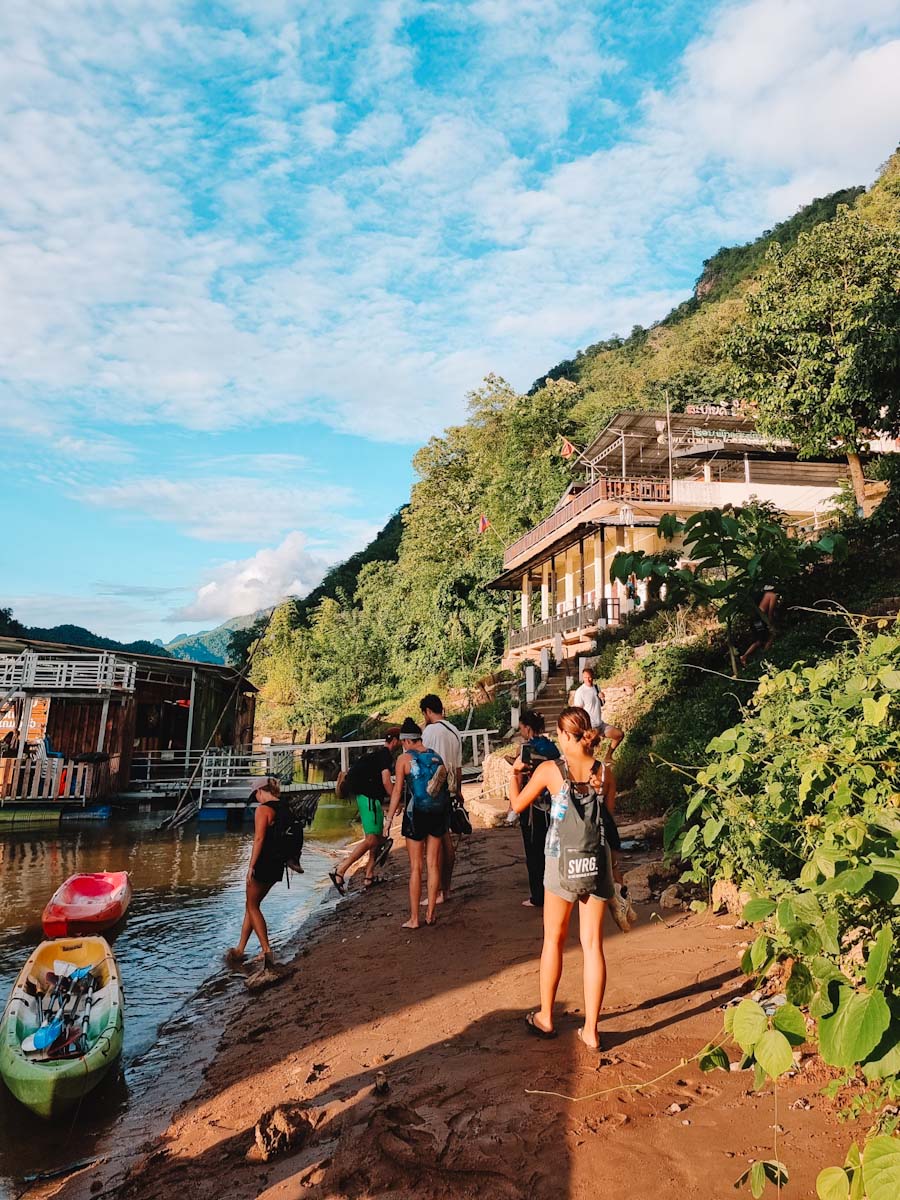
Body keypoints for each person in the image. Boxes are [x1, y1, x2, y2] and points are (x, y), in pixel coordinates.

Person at [509, 707, 615, 1051]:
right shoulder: (604, 772)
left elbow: (517, 805)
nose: (556, 739)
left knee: (553, 940)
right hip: (597, 861)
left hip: (559, 862)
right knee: (592, 945)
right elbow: (609, 819)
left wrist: (515, 773)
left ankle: (546, 1017)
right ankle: (592, 1031)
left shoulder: (549, 772)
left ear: (568, 737)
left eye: (558, 734)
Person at [384, 718, 450, 929]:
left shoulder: (404, 759)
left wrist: (388, 820)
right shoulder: (436, 757)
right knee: (432, 864)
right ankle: (431, 913)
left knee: (416, 868)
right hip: (438, 814)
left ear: (405, 741)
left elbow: (397, 792)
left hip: (416, 815)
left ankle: (414, 918)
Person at [329, 727, 401, 894]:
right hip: (368, 798)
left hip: (370, 798)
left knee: (375, 838)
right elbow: (386, 781)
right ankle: (341, 870)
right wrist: (395, 801)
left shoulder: (379, 755)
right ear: (395, 740)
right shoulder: (385, 756)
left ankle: (369, 876)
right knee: (371, 839)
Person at [226, 778, 287, 972]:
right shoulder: (285, 807)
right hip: (279, 863)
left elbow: (259, 838)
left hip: (264, 862)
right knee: (251, 905)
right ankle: (240, 949)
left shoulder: (263, 810)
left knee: (252, 905)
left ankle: (266, 950)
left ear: (261, 791)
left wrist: (251, 866)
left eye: (256, 795)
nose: (256, 799)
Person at [513, 710, 560, 908]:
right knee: (552, 850)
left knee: (533, 853)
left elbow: (519, 776)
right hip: (553, 805)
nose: (521, 732)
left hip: (533, 806)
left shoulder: (526, 749)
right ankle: (556, 891)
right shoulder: (552, 747)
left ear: (528, 728)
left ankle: (538, 896)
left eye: (522, 728)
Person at [419, 694, 462, 903]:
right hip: (452, 790)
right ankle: (447, 888)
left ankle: (435, 893)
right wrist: (459, 792)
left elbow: (422, 760)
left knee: (435, 845)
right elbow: (459, 766)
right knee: (446, 841)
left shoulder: (429, 732)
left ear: (427, 711)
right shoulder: (454, 730)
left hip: (434, 792)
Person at [572, 666, 623, 760]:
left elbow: (601, 704)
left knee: (619, 734)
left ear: (593, 677)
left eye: (589, 677)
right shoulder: (580, 692)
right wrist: (584, 728)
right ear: (583, 678)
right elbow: (578, 711)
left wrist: (602, 698)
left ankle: (608, 756)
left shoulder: (596, 687)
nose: (588, 679)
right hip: (590, 727)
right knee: (590, 750)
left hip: (600, 724)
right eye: (585, 677)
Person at [740, 584, 779, 666]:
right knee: (769, 636)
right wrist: (770, 622)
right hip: (760, 618)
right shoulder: (772, 595)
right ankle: (764, 656)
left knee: (760, 639)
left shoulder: (762, 595)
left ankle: (746, 656)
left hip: (755, 618)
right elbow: (770, 611)